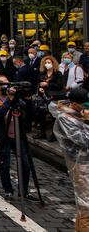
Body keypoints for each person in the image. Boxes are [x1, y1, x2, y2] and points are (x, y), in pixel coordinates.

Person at [51, 87, 89, 231]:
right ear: (74, 103)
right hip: (80, 164)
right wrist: (87, 122)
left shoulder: (79, 114)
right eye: (83, 105)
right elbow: (83, 140)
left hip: (86, 162)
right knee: (86, 204)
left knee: (85, 205)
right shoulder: (65, 118)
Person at [0, 75, 33, 200]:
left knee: (25, 163)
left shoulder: (17, 98)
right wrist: (9, 99)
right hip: (3, 136)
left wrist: (27, 97)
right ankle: (8, 190)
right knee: (5, 164)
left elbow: (29, 110)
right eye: (1, 83)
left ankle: (23, 191)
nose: (5, 85)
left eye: (7, 83)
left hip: (18, 135)